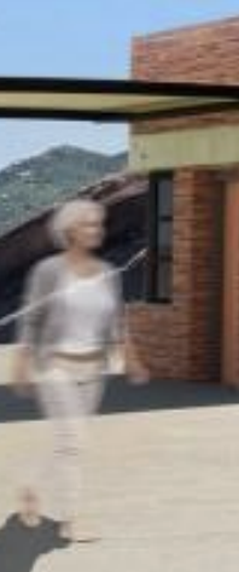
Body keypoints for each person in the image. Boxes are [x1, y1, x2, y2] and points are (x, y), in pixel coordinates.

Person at [10, 199, 149, 543]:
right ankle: (71, 519)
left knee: (69, 443)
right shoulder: (49, 272)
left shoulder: (105, 273)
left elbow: (117, 321)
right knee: (72, 443)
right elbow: (32, 319)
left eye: (98, 224)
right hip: (55, 367)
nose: (97, 230)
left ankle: (33, 487)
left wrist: (130, 360)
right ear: (70, 230)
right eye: (89, 224)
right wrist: (21, 362)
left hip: (93, 370)